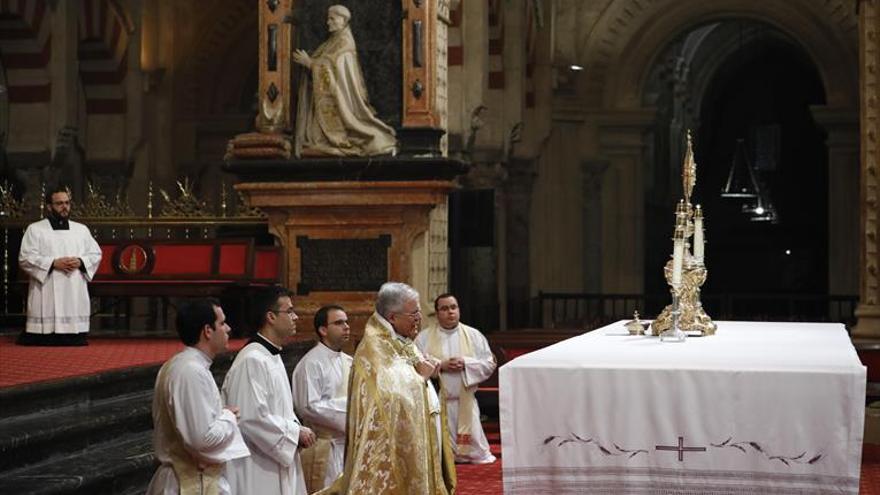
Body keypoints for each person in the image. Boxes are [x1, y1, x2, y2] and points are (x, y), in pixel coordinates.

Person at [317, 282, 456, 495]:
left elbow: (412, 373)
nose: (419, 317)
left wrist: (432, 377)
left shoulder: (400, 339)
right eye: (414, 313)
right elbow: (389, 396)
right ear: (392, 317)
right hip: (392, 449)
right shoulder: (374, 349)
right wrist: (421, 378)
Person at [146, 298, 250, 495]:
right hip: (186, 482)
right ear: (207, 331)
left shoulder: (186, 365)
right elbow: (202, 439)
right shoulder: (190, 371)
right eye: (222, 323)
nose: (228, 328)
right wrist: (228, 417)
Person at [221, 287, 315, 495]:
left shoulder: (270, 355)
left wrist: (296, 428)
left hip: (274, 461)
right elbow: (250, 418)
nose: (296, 317)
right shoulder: (251, 360)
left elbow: (280, 409)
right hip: (258, 467)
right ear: (271, 317)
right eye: (289, 311)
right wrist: (295, 432)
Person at [292, 4, 396, 157]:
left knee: (358, 132)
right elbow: (325, 61)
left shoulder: (344, 43)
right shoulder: (333, 40)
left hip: (344, 102)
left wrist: (311, 63)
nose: (328, 22)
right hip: (332, 102)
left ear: (343, 20)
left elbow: (332, 69)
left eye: (332, 19)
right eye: (328, 18)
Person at [415, 293, 498, 464]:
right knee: (438, 454)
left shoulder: (474, 335)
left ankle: (469, 454)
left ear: (459, 310)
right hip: (436, 402)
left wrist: (466, 363)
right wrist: (441, 365)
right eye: (444, 309)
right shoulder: (423, 338)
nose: (450, 312)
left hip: (465, 401)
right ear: (437, 313)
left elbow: (489, 363)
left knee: (477, 454)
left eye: (453, 307)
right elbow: (415, 365)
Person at [17, 186, 102, 346]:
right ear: (49, 206)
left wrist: (81, 261)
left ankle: (73, 333)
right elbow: (26, 257)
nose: (65, 207)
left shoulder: (81, 230)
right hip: (47, 285)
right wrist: (53, 263)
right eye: (59, 203)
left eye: (67, 203)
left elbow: (95, 254)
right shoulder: (35, 229)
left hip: (73, 283)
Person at [290, 305, 353, 493]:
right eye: (339, 323)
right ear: (323, 330)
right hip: (323, 446)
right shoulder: (311, 363)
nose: (347, 326)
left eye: (347, 322)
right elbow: (309, 407)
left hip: (348, 446)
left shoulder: (351, 361)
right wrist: (352, 409)